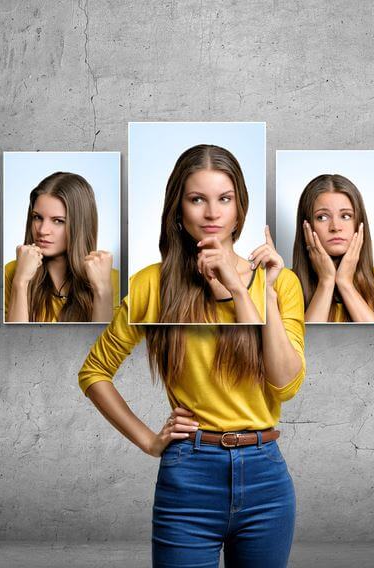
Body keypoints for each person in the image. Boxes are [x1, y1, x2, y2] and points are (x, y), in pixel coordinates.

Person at [78, 144, 306, 567]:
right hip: (190, 476)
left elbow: (285, 385)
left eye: (225, 199)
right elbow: (94, 373)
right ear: (178, 210)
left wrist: (249, 291)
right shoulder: (151, 285)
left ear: (240, 207)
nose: (212, 213)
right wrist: (150, 441)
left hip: (266, 477)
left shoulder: (279, 282)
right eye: (197, 199)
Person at [5, 172, 118, 323]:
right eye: (37, 217)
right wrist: (20, 282)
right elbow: (13, 337)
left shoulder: (115, 280)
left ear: (80, 225)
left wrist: (102, 291)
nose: (42, 230)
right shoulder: (12, 272)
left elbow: (104, 338)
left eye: (58, 221)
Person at [291, 173, 374, 322]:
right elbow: (300, 339)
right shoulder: (287, 281)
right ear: (306, 226)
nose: (335, 227)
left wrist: (345, 283)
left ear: (359, 224)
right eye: (322, 217)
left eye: (345, 216)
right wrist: (326, 282)